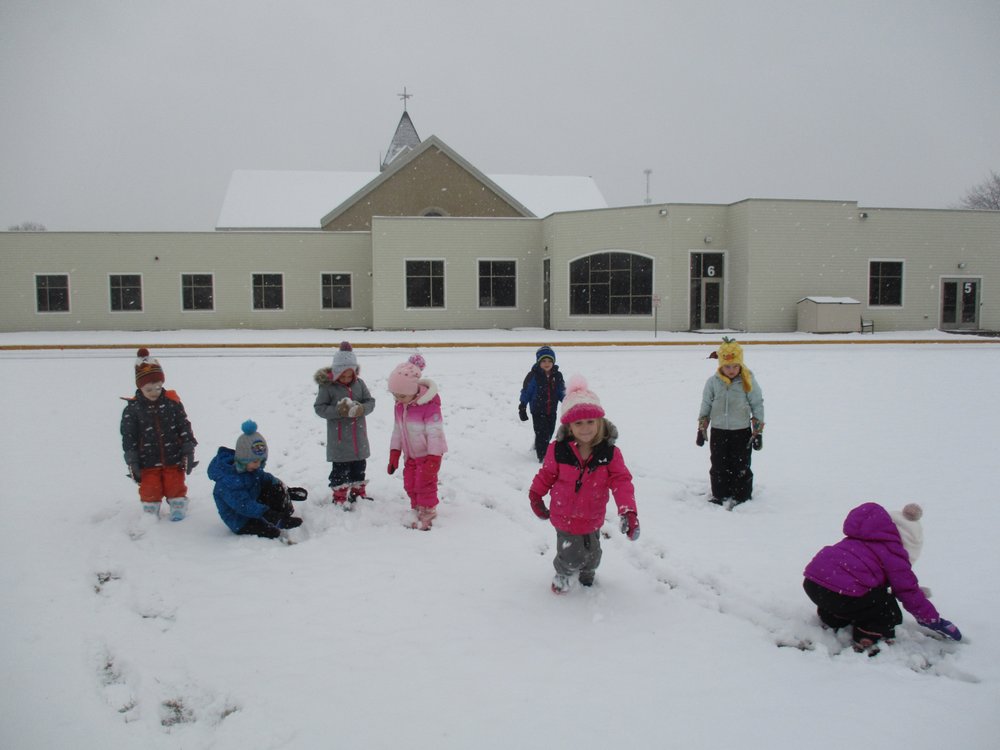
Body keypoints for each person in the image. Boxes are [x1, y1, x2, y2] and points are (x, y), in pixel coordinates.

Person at [528, 375, 640, 594]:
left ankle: (588, 572)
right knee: (570, 554)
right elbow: (547, 474)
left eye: (591, 422)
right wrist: (536, 495)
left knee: (593, 553)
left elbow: (621, 481)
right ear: (569, 426)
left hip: (593, 515)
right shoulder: (559, 450)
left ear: (600, 422)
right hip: (564, 515)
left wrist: (628, 511)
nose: (586, 428)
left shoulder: (609, 453)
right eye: (579, 423)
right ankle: (563, 574)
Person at [803, 502, 962, 655]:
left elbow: (850, 571)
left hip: (813, 584)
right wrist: (932, 619)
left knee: (852, 595)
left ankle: (833, 617)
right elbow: (907, 591)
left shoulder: (854, 541)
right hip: (842, 593)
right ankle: (868, 635)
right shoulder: (893, 553)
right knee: (887, 609)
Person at [120, 348, 197, 521]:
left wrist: (187, 446)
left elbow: (184, 425)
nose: (154, 392)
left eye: (158, 387)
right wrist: (132, 458)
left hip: (173, 456)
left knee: (175, 484)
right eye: (149, 389)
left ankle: (177, 506)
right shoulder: (133, 410)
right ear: (140, 387)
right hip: (147, 459)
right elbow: (128, 436)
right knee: (150, 487)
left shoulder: (172, 404)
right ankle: (150, 510)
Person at [207, 420, 307, 539]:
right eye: (255, 461)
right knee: (271, 532)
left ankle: (282, 515)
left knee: (275, 488)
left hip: (254, 501)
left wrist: (287, 490)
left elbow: (267, 479)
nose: (258, 465)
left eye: (261, 461)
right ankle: (277, 523)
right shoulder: (228, 481)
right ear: (243, 459)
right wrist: (269, 515)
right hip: (240, 519)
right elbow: (244, 505)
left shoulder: (251, 468)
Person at [696, 337, 765, 506]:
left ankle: (742, 495)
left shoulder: (747, 381)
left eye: (735, 366)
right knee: (718, 464)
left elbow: (757, 405)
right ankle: (720, 493)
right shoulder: (712, 383)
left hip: (741, 431)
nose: (732, 370)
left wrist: (757, 432)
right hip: (719, 431)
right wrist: (701, 429)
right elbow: (706, 406)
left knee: (741, 464)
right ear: (720, 365)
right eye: (727, 366)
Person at [386, 354, 447, 531]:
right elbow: (397, 430)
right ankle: (416, 508)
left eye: (401, 395)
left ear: (413, 391)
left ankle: (428, 513)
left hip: (427, 456)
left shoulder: (429, 406)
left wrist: (434, 458)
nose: (397, 399)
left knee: (425, 485)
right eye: (395, 395)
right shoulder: (400, 405)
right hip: (410, 456)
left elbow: (435, 433)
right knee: (410, 484)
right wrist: (394, 454)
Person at [313, 341, 376, 509]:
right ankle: (339, 496)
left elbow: (370, 401)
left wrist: (362, 408)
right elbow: (319, 408)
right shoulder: (328, 387)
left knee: (359, 468)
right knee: (339, 471)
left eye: (350, 375)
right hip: (339, 439)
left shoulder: (360, 384)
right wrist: (338, 411)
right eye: (343, 376)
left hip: (359, 437)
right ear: (336, 372)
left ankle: (358, 493)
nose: (347, 379)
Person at [518, 345, 567, 462]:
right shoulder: (533, 376)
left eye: (550, 361)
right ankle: (543, 456)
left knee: (549, 431)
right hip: (537, 410)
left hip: (552, 410)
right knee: (542, 433)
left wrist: (568, 402)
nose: (547, 363)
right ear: (538, 361)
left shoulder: (557, 376)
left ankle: (539, 445)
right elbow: (526, 391)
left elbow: (561, 391)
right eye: (544, 361)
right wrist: (522, 406)